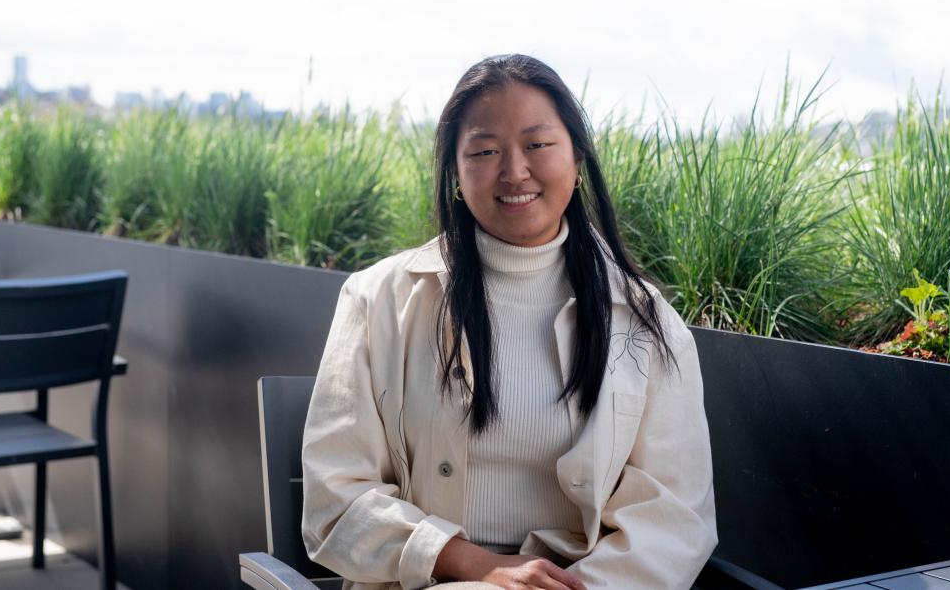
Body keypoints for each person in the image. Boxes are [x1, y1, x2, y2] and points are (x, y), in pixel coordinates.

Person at [301, 54, 717, 590]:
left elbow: (674, 520)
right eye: (485, 150)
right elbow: (335, 502)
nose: (514, 171)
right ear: (456, 171)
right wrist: (479, 567)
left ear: (577, 158)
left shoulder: (643, 320)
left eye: (538, 145)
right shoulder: (378, 298)